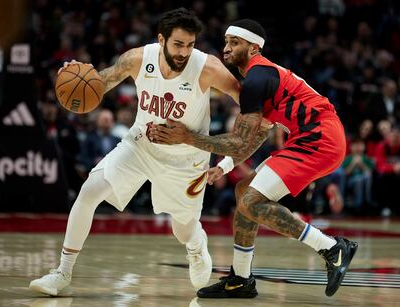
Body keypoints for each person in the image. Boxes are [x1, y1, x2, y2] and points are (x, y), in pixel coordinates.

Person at [29, 8, 242, 296]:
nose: (184, 52)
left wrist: (227, 160)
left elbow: (251, 109)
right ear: (161, 39)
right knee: (90, 190)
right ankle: (62, 272)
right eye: (178, 44)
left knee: (182, 230)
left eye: (190, 45)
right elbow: (100, 82)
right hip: (140, 145)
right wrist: (76, 75)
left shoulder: (208, 68)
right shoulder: (138, 59)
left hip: (186, 158)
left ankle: (195, 245)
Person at [149, 19, 358, 298]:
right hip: (312, 136)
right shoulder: (261, 77)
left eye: (234, 43)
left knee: (251, 202)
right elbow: (256, 135)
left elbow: (238, 140)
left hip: (321, 138)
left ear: (253, 47)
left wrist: (187, 137)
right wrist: (223, 167)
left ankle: (331, 248)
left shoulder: (258, 78)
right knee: (244, 191)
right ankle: (241, 279)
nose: (226, 48)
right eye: (225, 42)